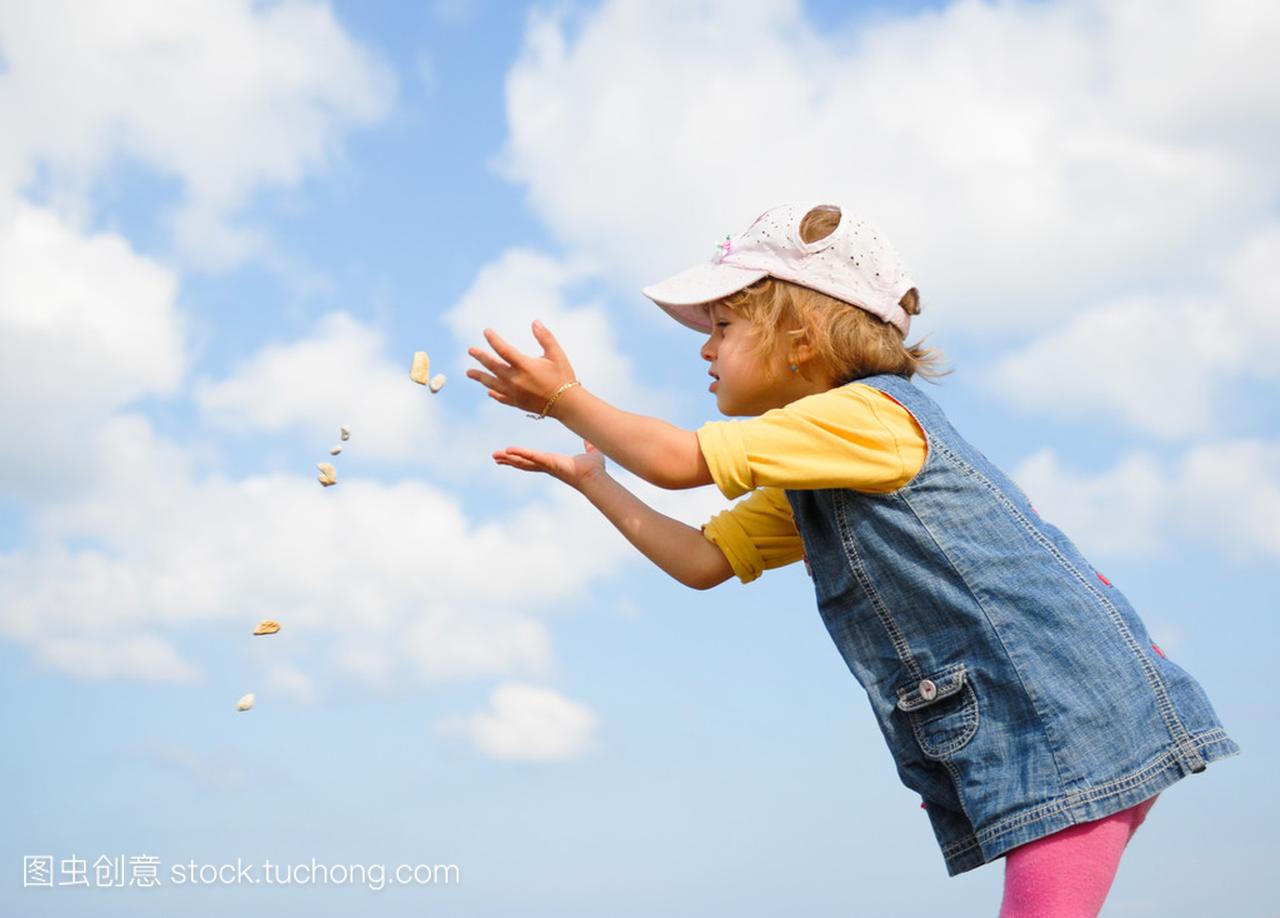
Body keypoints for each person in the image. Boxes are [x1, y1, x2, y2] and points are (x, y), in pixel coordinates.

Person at [465, 202, 1238, 916]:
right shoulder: (821, 465)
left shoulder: (861, 418)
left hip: (1064, 715)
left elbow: (676, 460)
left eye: (724, 326)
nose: (704, 345)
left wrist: (563, 395)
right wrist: (596, 482)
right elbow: (704, 559)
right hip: (1064, 713)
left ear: (800, 339)